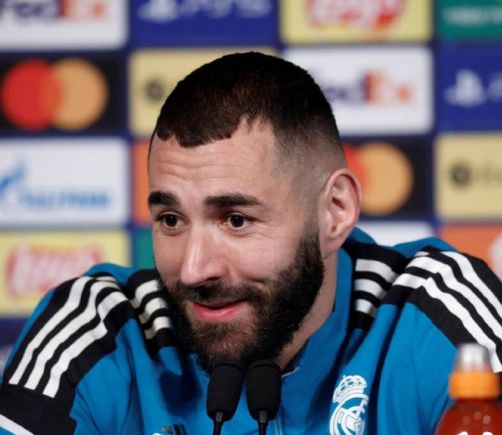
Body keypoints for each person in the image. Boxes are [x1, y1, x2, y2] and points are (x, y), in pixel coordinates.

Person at [0, 52, 501, 435]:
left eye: (236, 220)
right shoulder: (99, 328)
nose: (194, 269)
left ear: (335, 211)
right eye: (171, 219)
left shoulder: (437, 312)